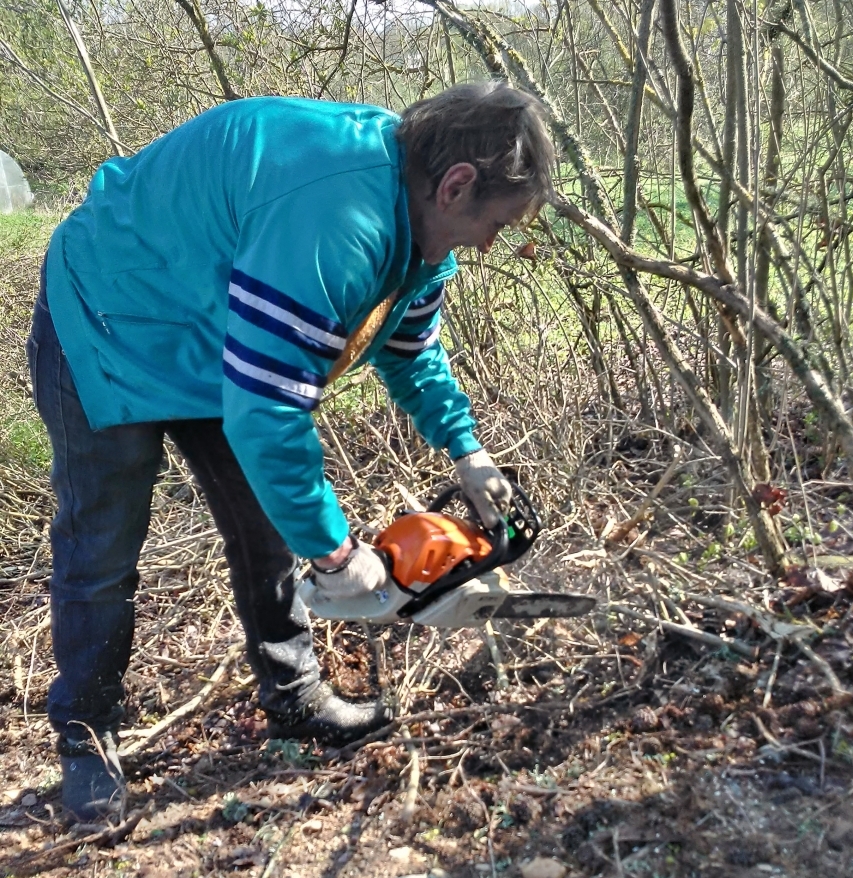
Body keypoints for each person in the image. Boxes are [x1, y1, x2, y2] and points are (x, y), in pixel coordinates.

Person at [26, 81, 555, 822]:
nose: (489, 242)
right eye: (493, 223)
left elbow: (411, 348)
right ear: (456, 184)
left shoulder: (420, 224)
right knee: (101, 545)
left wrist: (466, 449)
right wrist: (340, 557)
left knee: (263, 523)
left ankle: (295, 695)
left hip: (213, 327)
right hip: (110, 315)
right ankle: (86, 738)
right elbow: (268, 412)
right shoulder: (337, 223)